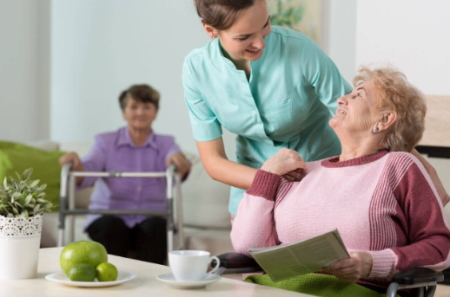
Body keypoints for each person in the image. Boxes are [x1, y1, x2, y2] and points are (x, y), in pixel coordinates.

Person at [183, 0, 449, 218]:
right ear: (210, 30)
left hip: (323, 177)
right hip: (254, 181)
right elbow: (214, 162)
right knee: (252, 275)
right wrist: (271, 180)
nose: (261, 43)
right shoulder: (196, 71)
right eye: (244, 37)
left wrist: (425, 171)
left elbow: (364, 117)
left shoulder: (300, 50)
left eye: (265, 25)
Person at [231, 66, 450, 296]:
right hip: (277, 288)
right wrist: (267, 174)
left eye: (357, 95)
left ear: (384, 119)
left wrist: (371, 263)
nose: (341, 100)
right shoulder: (300, 172)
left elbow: (439, 247)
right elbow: (246, 247)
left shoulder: (398, 166)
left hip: (354, 290)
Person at [59, 84, 191, 264]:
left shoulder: (166, 143)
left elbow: (176, 160)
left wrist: (179, 160)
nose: (140, 112)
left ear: (155, 112)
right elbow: (88, 171)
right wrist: (76, 164)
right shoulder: (104, 141)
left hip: (152, 217)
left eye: (147, 107)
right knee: (111, 228)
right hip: (109, 216)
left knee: (157, 229)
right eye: (134, 107)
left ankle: (148, 288)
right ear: (124, 113)